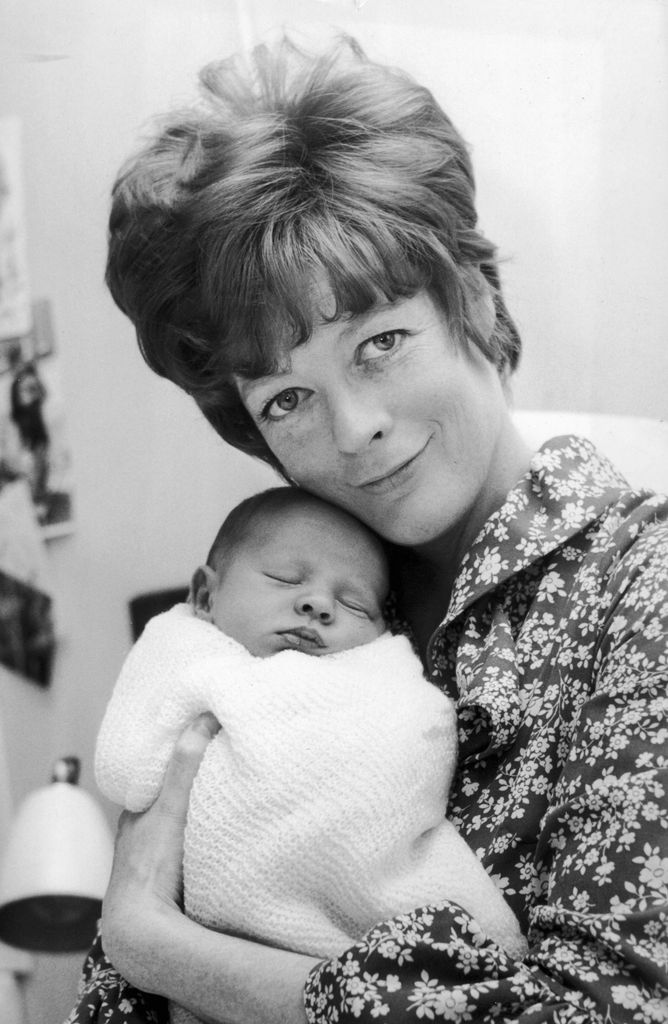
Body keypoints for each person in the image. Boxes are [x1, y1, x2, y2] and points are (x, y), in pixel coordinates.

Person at [66, 33, 667, 1024]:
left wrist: (162, 948)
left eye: (378, 343)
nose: (354, 431)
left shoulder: (637, 583)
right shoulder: (260, 609)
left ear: (468, 295)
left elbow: (615, 1011)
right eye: (287, 399)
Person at [95, 486, 526, 1024]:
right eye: (285, 579)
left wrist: (143, 932)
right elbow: (126, 769)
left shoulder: (381, 678)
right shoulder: (181, 651)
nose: (318, 604)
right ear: (205, 596)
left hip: (381, 964)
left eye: (353, 604)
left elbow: (414, 746)